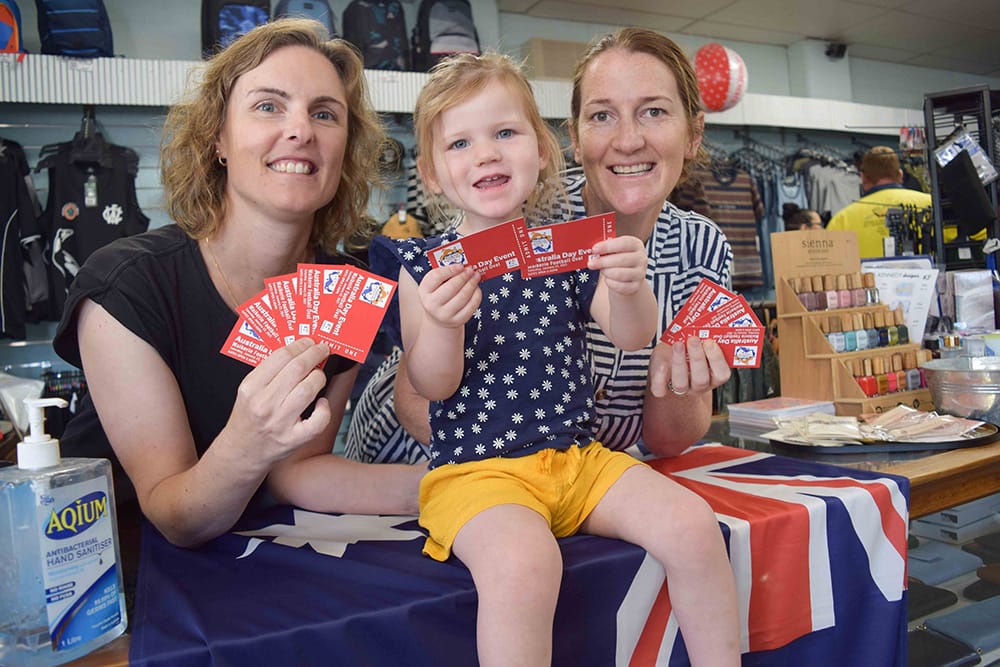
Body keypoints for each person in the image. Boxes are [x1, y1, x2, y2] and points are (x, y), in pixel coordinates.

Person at [369, 51, 739, 666]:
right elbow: (434, 385)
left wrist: (629, 286)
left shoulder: (562, 247)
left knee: (694, 525)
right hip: (477, 475)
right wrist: (440, 324)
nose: (486, 154)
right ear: (432, 174)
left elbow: (631, 335)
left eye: (505, 133)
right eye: (459, 143)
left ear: (542, 151)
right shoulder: (426, 269)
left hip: (578, 460)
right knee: (523, 564)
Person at [50, 19, 424, 550]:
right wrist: (250, 442)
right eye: (268, 106)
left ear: (345, 151)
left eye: (324, 113)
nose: (301, 131)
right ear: (218, 139)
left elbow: (299, 473)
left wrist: (459, 486)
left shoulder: (345, 290)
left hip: (259, 566)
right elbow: (175, 516)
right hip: (121, 586)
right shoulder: (126, 286)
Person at [347, 26, 735, 463]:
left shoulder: (703, 248)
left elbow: (669, 438)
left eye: (654, 112)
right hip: (435, 461)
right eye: (602, 116)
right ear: (572, 136)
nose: (628, 140)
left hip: (580, 476)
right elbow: (418, 398)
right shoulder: (515, 206)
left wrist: (679, 377)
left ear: (694, 133)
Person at [827, 145, 931, 257]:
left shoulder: (842, 220)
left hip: (866, 275)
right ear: (900, 175)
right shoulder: (931, 204)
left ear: (863, 177)